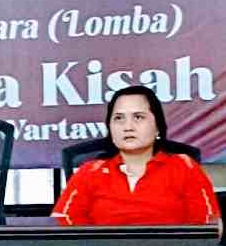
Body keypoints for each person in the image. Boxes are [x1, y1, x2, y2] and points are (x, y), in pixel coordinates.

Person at [52, 85, 221, 227]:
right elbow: (63, 222)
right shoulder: (90, 172)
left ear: (157, 127)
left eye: (138, 117)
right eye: (119, 118)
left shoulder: (184, 167)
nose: (128, 127)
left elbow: (209, 225)